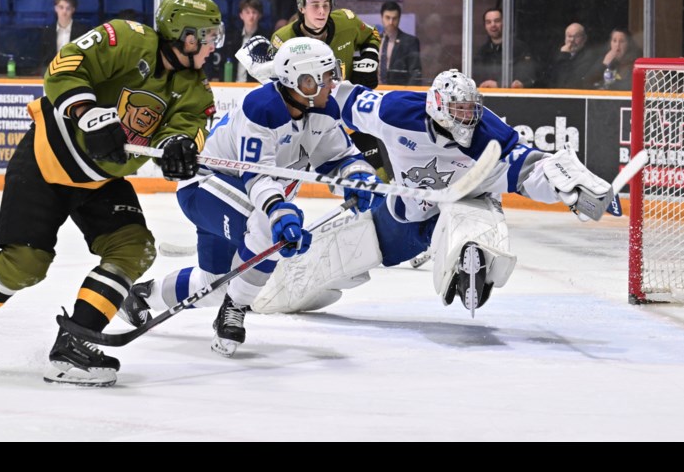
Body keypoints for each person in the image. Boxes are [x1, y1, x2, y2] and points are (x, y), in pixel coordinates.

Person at [0, 0, 223, 387]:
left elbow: (188, 130)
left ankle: (74, 342)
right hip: (46, 159)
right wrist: (87, 114)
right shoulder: (128, 37)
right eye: (207, 37)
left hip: (100, 179)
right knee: (26, 264)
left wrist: (179, 148)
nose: (212, 46)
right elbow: (64, 67)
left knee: (133, 247)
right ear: (184, 36)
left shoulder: (195, 89)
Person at [249, 69, 612, 316]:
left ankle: (473, 264)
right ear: (438, 105)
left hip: (456, 207)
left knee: (474, 215)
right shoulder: (396, 112)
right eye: (459, 109)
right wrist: (288, 85)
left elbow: (529, 167)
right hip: (398, 217)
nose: (467, 116)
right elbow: (341, 98)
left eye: (471, 108)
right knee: (323, 268)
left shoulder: (489, 134)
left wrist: (571, 186)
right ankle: (260, 297)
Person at [117, 36, 383, 357]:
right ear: (302, 81)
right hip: (205, 186)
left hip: (245, 196)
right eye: (325, 77)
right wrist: (278, 212)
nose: (333, 83)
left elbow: (337, 157)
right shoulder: (261, 108)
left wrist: (359, 178)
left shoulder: (323, 108)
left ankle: (142, 296)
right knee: (266, 229)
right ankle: (236, 309)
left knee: (216, 282)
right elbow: (257, 175)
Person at [270, 0, 384, 174]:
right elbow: (277, 85)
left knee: (376, 171)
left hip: (346, 111)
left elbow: (372, 35)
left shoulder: (347, 23)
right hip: (307, 120)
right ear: (301, 7)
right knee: (285, 178)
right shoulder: (283, 40)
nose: (322, 11)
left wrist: (369, 59)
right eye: (315, 5)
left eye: (326, 4)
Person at [472, 7, 538, 88]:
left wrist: (498, 85)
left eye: (497, 21)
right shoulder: (482, 52)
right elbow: (476, 80)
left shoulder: (519, 48)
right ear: (485, 26)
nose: (493, 25)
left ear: (505, 23)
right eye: (488, 22)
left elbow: (525, 79)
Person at [207, 0, 268, 82]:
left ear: (259, 15)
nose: (251, 16)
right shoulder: (232, 37)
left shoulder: (264, 38)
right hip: (233, 85)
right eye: (247, 12)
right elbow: (224, 62)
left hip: (254, 85)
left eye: (254, 12)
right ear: (241, 15)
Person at [36, 0, 93, 73]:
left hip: (75, 74)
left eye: (68, 8)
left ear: (73, 10)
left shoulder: (83, 31)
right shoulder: (47, 32)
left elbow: (86, 58)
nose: (64, 11)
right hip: (53, 74)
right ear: (56, 8)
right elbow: (43, 59)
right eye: (61, 7)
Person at [547, 22, 604, 89]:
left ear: (584, 39)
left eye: (576, 36)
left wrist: (565, 56)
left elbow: (570, 82)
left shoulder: (589, 57)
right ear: (565, 38)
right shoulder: (556, 55)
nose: (572, 40)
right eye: (569, 36)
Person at [378, 0, 422, 85]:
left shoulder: (410, 42)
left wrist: (408, 95)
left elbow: (415, 74)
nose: (391, 22)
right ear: (381, 18)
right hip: (375, 92)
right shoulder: (373, 41)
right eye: (387, 18)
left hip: (399, 92)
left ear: (399, 19)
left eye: (394, 18)